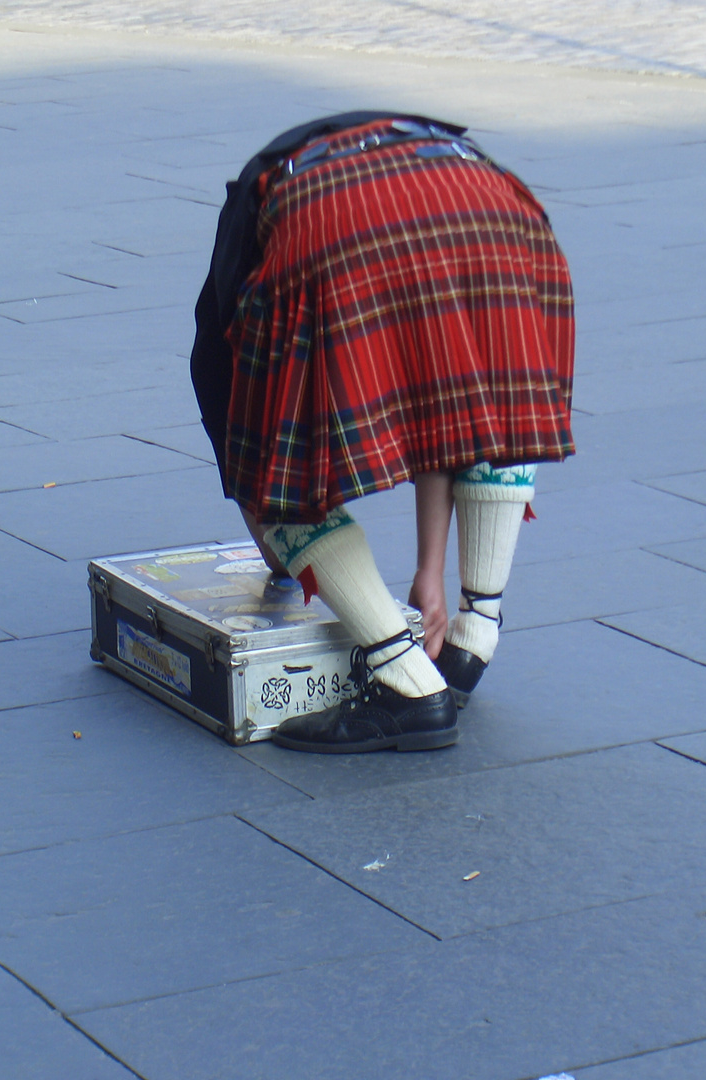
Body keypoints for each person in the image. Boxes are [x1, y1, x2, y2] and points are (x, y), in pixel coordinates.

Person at [190, 111, 575, 753]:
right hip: (491, 205)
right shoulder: (283, 183)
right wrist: (431, 571)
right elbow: (439, 415)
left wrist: (270, 523)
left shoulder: (217, 350)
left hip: (340, 229)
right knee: (482, 401)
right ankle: (475, 632)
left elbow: (263, 484)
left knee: (278, 478)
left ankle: (405, 683)